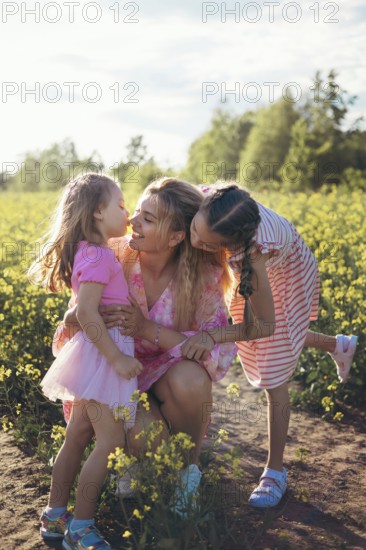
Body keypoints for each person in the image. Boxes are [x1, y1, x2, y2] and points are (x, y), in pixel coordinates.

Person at [55, 177, 238, 520]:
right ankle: (135, 464)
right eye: (135, 211)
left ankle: (188, 473)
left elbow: (214, 353)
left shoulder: (203, 274)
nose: (132, 222)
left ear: (176, 236)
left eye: (147, 219)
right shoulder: (112, 254)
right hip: (117, 374)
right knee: (139, 437)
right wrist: (84, 314)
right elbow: (75, 320)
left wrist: (146, 329)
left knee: (192, 379)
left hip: (167, 375)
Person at [183, 183, 358, 508]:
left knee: (273, 365)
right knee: (284, 337)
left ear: (231, 245)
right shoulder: (212, 198)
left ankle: (275, 471)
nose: (195, 241)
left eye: (207, 243)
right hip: (269, 258)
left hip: (286, 270)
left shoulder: (252, 258)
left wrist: (211, 336)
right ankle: (338, 345)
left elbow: (262, 327)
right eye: (195, 229)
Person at [29, 173, 143, 550]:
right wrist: (117, 359)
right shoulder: (96, 255)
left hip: (95, 355)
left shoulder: (91, 251)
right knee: (108, 440)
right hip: (101, 357)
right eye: (122, 205)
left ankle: (55, 514)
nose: (127, 214)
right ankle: (81, 525)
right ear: (97, 212)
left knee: (77, 436)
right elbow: (88, 313)